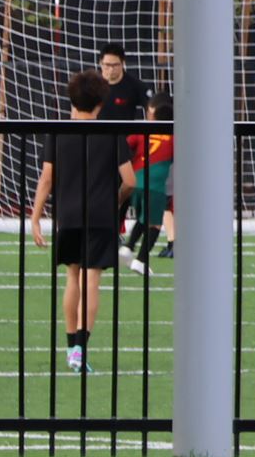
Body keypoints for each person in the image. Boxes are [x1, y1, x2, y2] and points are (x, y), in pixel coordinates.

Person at [27, 70, 135, 375]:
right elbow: (129, 181)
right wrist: (113, 201)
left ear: (71, 99)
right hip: (100, 217)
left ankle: (69, 346)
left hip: (68, 216)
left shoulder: (58, 131)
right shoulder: (111, 133)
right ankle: (80, 348)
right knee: (93, 281)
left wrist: (35, 219)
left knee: (72, 279)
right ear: (101, 103)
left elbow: (47, 178)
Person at [123, 92, 174, 276]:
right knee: (154, 224)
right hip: (155, 187)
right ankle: (141, 260)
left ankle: (128, 247)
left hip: (134, 183)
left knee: (144, 218)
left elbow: (126, 146)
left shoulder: (141, 130)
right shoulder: (173, 137)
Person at [97, 43, 149, 122]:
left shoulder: (135, 85)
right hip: (96, 133)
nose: (111, 69)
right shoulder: (91, 85)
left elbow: (153, 108)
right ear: (100, 63)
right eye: (107, 65)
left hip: (125, 133)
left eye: (115, 65)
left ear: (123, 63)